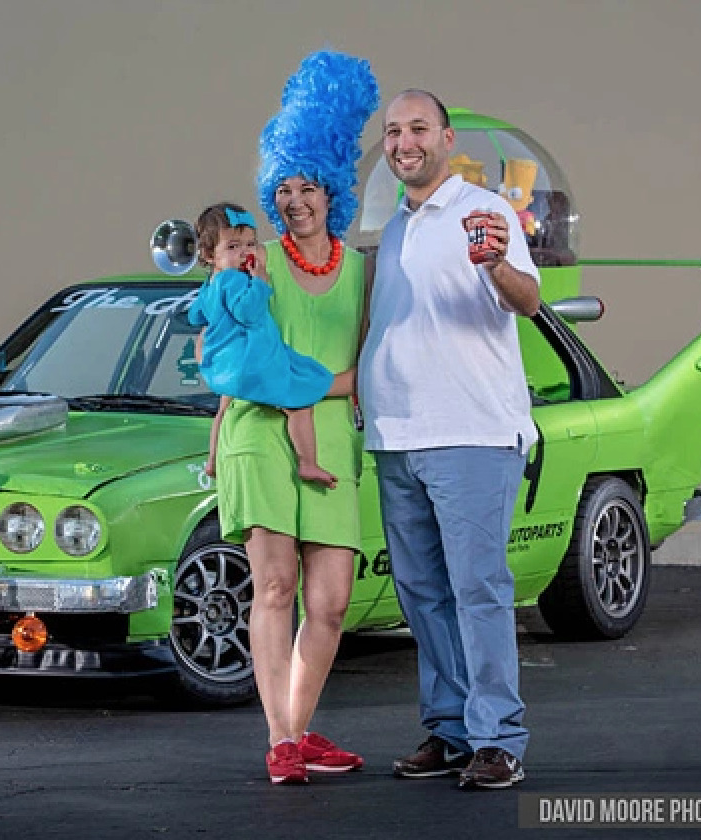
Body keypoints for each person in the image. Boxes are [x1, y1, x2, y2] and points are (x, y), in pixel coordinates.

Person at [358, 89, 542, 791]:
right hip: (397, 434)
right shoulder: (394, 231)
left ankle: (498, 739)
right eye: (393, 131)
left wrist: (494, 263)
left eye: (418, 129)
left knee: (478, 589)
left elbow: (527, 299)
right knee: (422, 595)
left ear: (445, 138)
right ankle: (452, 730)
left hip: (471, 431)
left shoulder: (483, 210)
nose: (404, 142)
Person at [213, 50, 378, 785]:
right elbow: (233, 359)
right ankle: (281, 740)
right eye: (282, 187)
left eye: (308, 185)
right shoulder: (258, 263)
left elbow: (372, 363)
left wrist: (342, 385)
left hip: (332, 439)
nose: (294, 200)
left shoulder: (364, 271)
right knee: (276, 586)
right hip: (259, 435)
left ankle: (299, 728)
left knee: (332, 603)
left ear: (333, 189)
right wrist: (334, 384)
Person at [188, 202, 339, 488]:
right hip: (253, 360)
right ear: (209, 255)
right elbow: (248, 312)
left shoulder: (211, 284)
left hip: (228, 366)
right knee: (299, 403)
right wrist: (260, 282)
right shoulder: (234, 279)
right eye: (233, 247)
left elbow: (195, 315)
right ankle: (308, 463)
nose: (245, 252)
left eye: (250, 244)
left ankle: (212, 460)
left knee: (223, 410)